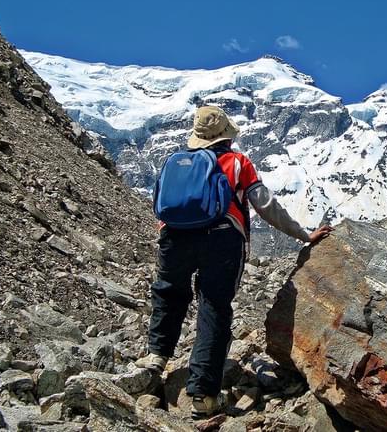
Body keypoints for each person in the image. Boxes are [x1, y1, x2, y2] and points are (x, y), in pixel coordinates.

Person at [136, 105, 332, 419]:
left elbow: (161, 204)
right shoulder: (238, 163)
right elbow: (266, 205)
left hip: (174, 238)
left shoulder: (174, 161)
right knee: (213, 308)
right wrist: (303, 235)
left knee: (169, 294)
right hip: (223, 240)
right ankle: (202, 395)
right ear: (227, 136)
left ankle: (155, 359)